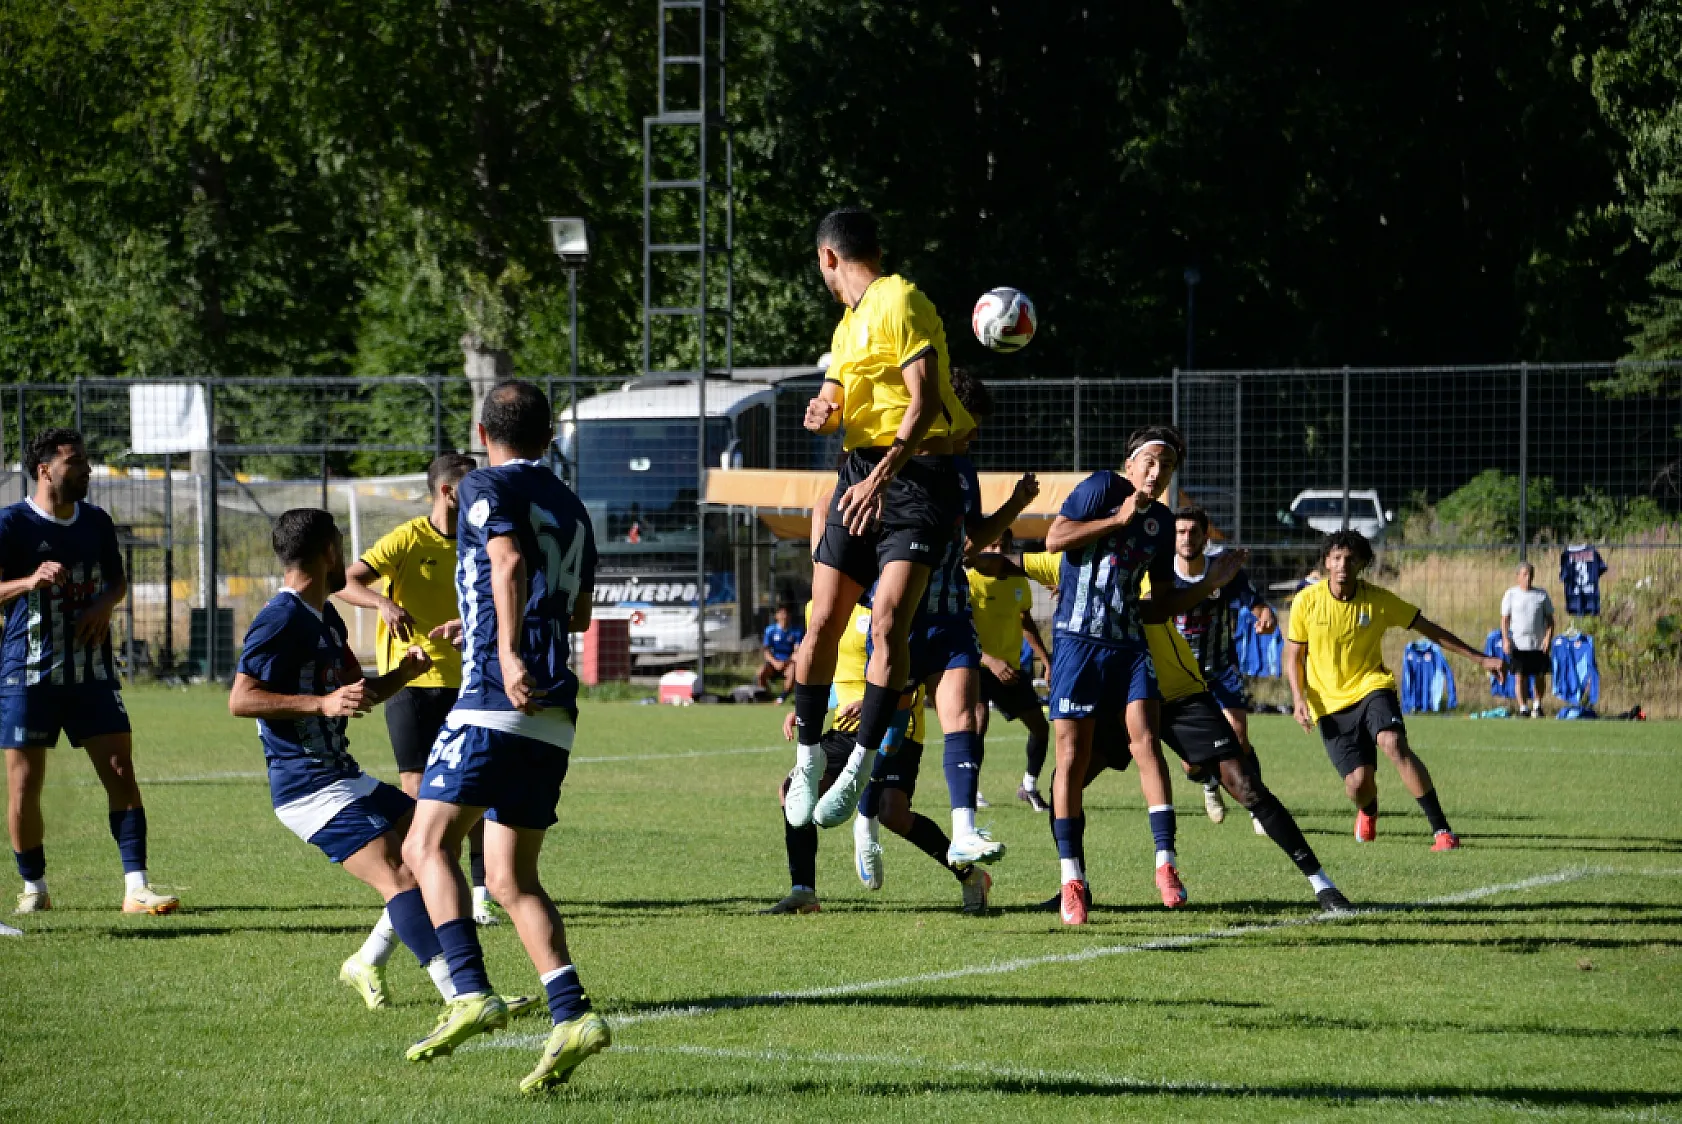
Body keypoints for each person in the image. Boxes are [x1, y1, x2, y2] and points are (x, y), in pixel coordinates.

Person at [400, 380, 609, 1095]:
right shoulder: (574, 505)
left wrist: (508, 648)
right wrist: (485, 616)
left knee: (423, 844)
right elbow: (578, 612)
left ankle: (468, 990)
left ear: (482, 430)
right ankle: (572, 1014)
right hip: (554, 713)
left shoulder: (484, 484)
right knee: (513, 877)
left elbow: (511, 563)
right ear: (548, 436)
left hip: (496, 694)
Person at [229, 509, 493, 1013]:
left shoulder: (325, 615)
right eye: (342, 545)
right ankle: (460, 996)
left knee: (435, 843)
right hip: (307, 789)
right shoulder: (280, 617)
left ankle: (368, 960)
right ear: (329, 550)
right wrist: (320, 704)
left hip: (343, 776)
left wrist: (404, 672)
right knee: (402, 874)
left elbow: (360, 692)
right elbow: (241, 698)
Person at [1021, 551, 1351, 916]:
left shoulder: (1139, 566)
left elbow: (1149, 609)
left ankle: (1322, 884)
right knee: (1064, 783)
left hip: (1178, 695)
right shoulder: (1073, 558)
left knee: (1245, 784)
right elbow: (1000, 560)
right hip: (1116, 704)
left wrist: (1082, 599)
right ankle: (1074, 884)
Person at [785, 207, 976, 836]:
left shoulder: (900, 300)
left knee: (889, 618)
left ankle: (859, 764)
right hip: (859, 474)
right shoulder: (846, 327)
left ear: (827, 257)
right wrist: (823, 412)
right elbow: (837, 398)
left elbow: (923, 405)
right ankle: (810, 757)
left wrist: (880, 476)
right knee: (822, 623)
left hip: (915, 480)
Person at [829, 368, 1035, 866]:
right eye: (971, 422)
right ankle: (864, 819)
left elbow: (970, 543)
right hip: (900, 620)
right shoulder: (887, 462)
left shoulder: (963, 472)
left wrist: (1015, 506)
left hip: (949, 617)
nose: (976, 433)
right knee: (891, 732)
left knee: (963, 716)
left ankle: (964, 830)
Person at [1043, 425, 1246, 923]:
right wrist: (1115, 519)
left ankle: (1166, 864)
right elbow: (1054, 539)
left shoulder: (1160, 522)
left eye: (1168, 467)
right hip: (1077, 643)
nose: (1158, 474)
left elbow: (1156, 607)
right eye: (1151, 462)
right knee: (1071, 757)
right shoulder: (1101, 489)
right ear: (1131, 462)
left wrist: (1209, 585)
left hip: (1129, 646)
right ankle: (1072, 880)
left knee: (1146, 742)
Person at [1, 428, 178, 917]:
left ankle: (136, 887)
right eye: (76, 461)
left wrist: (104, 605)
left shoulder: (96, 521)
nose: (88, 469)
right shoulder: (12, 524)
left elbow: (117, 579)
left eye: (86, 460)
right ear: (45, 469)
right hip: (27, 674)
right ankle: (34, 886)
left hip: (91, 673)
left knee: (121, 771)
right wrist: (28, 580)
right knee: (23, 785)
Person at [336, 453, 502, 926]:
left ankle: (481, 891)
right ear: (449, 492)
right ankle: (426, 887)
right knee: (418, 793)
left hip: (470, 680)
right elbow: (346, 581)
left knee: (475, 791)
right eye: (472, 486)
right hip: (411, 683)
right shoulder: (409, 539)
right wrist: (383, 603)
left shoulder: (483, 540)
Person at [1284, 530, 1506, 850]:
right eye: (1336, 558)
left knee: (1393, 743)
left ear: (1361, 564)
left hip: (1372, 687)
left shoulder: (1378, 601)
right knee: (1358, 784)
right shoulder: (1307, 601)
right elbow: (1294, 654)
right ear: (1326, 563)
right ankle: (1368, 809)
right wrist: (1298, 698)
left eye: (1350, 559)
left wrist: (1480, 658)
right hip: (1329, 705)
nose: (1343, 565)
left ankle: (1442, 831)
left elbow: (1429, 629)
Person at [766, 603, 991, 916]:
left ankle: (971, 876)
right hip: (844, 729)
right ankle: (803, 891)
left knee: (892, 813)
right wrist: (805, 709)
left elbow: (913, 672)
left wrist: (870, 703)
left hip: (893, 724)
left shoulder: (893, 600)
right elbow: (826, 667)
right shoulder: (817, 606)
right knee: (792, 791)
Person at [1169, 507, 1276, 830]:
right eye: (1181, 531)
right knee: (1191, 764)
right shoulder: (1161, 573)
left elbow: (1256, 604)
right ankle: (1210, 784)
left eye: (1194, 532)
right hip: (1181, 678)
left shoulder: (1222, 570)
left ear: (1205, 536)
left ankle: (1258, 806)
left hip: (1221, 669)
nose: (1187, 538)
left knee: (1239, 737)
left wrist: (1265, 616)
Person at [967, 532, 1052, 813]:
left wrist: (1046, 660)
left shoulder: (1018, 580)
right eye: (991, 544)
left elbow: (1025, 620)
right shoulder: (969, 580)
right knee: (978, 721)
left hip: (1011, 669)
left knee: (1040, 728)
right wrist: (989, 660)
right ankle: (970, 790)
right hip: (976, 665)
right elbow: (959, 631)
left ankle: (1028, 786)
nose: (997, 551)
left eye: (1003, 546)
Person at [1500, 562, 1555, 717]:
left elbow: (1550, 621)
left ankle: (1537, 706)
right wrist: (1505, 639)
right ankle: (1523, 708)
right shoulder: (1511, 595)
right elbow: (1505, 620)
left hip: (1537, 644)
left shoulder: (1541, 595)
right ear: (1517, 577)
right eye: (1524, 574)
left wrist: (1547, 638)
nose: (1528, 577)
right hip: (1518, 644)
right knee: (1519, 677)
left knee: (1539, 675)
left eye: (1530, 574)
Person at [757, 604, 803, 701]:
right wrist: (775, 663)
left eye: (786, 613)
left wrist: (786, 662)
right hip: (774, 663)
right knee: (761, 672)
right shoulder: (770, 630)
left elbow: (797, 651)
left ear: (790, 616)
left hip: (789, 663)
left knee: (792, 671)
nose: (784, 616)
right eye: (781, 613)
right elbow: (766, 651)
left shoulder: (797, 631)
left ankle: (781, 698)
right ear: (776, 616)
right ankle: (766, 696)